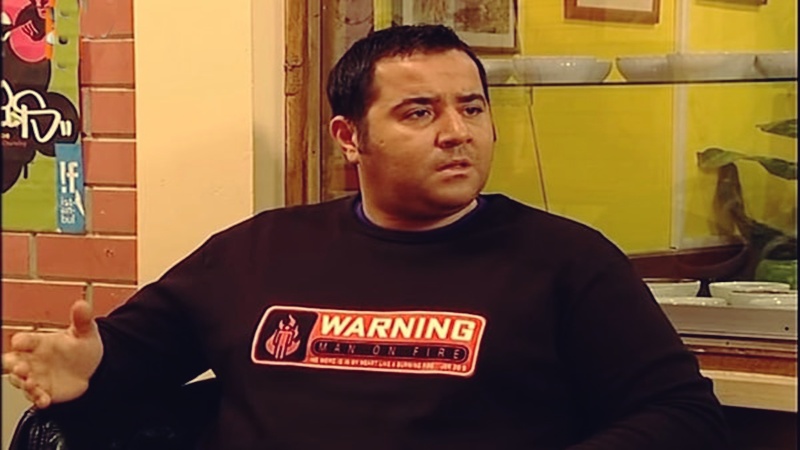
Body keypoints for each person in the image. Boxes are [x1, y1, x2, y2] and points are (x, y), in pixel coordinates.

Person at [3, 24, 730, 449]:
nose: (458, 132)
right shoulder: (259, 251)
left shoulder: (565, 260)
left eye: (472, 108)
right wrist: (91, 362)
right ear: (349, 137)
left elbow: (683, 415)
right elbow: (137, 356)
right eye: (420, 112)